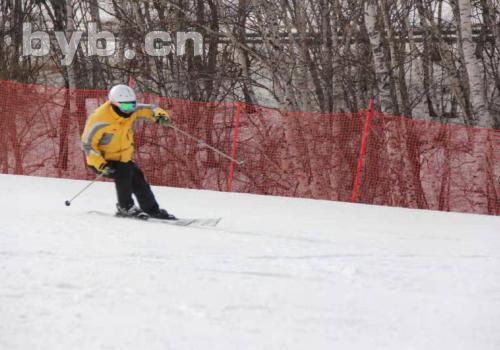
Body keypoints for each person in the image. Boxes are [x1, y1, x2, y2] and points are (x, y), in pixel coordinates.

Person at [81, 84, 176, 220]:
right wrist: (101, 165)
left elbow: (150, 109)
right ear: (115, 104)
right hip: (101, 160)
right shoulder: (99, 119)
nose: (130, 109)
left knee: (138, 179)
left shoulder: (130, 110)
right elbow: (87, 145)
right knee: (123, 173)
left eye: (132, 105)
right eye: (126, 106)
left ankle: (152, 210)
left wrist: (160, 117)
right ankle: (125, 207)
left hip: (122, 159)